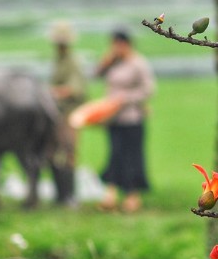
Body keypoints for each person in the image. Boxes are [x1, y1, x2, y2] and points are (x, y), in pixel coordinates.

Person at [95, 30, 155, 213]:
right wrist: (105, 63)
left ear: (127, 44)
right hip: (113, 118)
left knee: (132, 157)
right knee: (115, 155)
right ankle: (110, 195)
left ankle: (132, 196)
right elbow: (96, 75)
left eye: (119, 44)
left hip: (132, 117)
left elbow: (148, 90)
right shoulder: (114, 63)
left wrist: (125, 98)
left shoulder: (138, 63)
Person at [49, 21, 87, 204]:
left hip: (71, 115)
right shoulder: (58, 61)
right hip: (58, 114)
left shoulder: (73, 62)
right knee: (55, 154)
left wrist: (53, 92)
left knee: (69, 153)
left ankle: (70, 197)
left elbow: (75, 89)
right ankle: (60, 195)